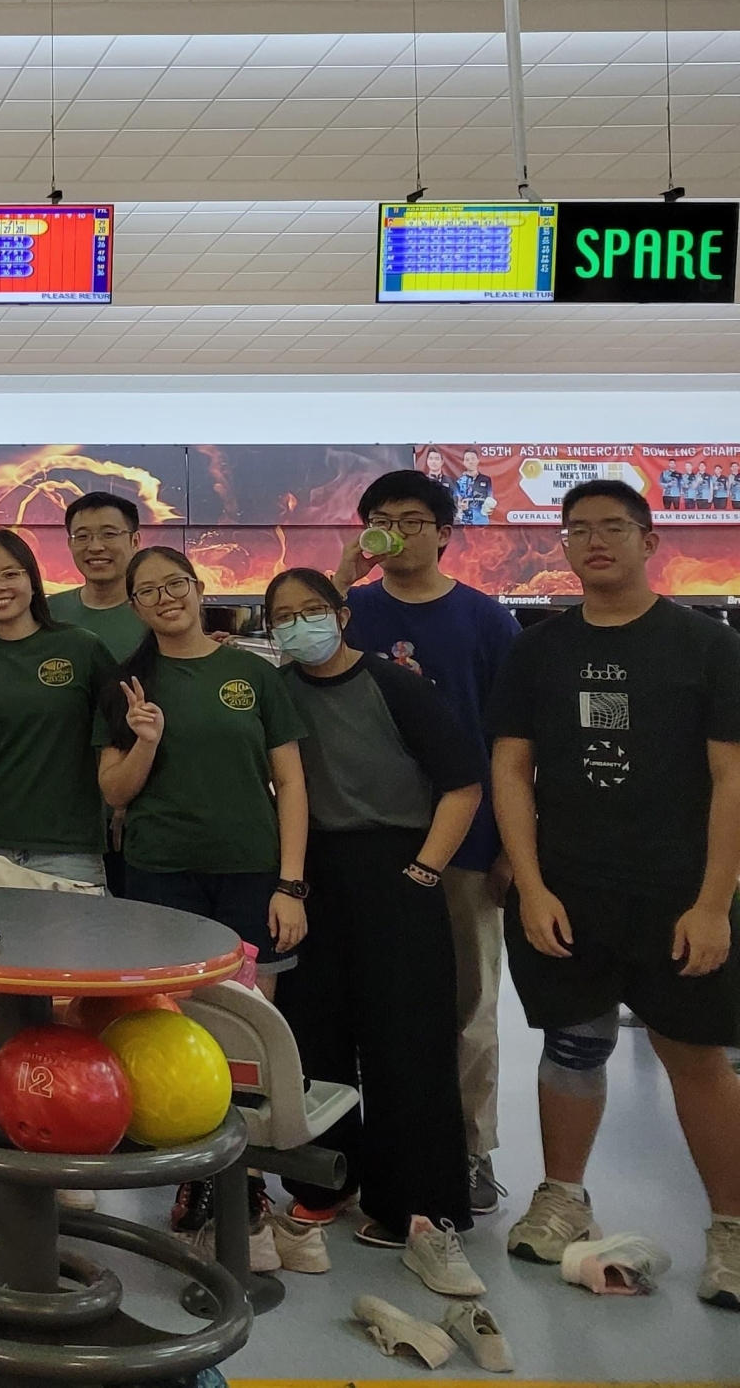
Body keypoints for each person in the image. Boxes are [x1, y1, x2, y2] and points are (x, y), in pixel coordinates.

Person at [488, 480, 740, 1307]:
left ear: (648, 540)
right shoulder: (538, 650)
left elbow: (732, 777)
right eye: (577, 530)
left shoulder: (707, 645)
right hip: (568, 889)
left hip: (676, 894)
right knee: (573, 1043)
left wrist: (713, 902)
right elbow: (511, 769)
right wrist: (530, 886)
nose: (593, 541)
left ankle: (732, 1229)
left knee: (694, 1056)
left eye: (612, 527)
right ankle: (563, 1198)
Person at [261, 568, 481, 1277]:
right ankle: (325, 1181)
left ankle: (418, 1203)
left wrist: (424, 870)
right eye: (284, 616)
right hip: (309, 872)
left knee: (406, 1038)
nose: (299, 625)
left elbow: (462, 783)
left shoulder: (395, 685)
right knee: (313, 1031)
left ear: (343, 614)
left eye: (312, 610)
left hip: (395, 865)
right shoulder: (278, 691)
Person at [331, 467, 521, 1212]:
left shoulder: (487, 620)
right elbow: (297, 679)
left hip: (467, 844)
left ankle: (471, 1150)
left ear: (444, 534)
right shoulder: (350, 610)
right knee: (369, 1005)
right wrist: (340, 580)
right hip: (369, 843)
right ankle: (374, 1146)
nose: (397, 533)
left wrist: (512, 845)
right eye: (382, 520)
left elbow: (514, 745)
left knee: (468, 1005)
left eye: (412, 521)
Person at [98, 545, 309, 973]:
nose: (165, 598)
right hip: (159, 873)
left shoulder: (254, 673)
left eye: (175, 584)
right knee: (167, 1004)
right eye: (149, 591)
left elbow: (290, 783)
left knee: (249, 1004)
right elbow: (114, 792)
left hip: (251, 869)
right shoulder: (126, 684)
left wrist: (290, 886)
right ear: (135, 607)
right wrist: (146, 742)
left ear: (198, 589)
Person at [0, 530, 116, 885]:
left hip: (68, 848)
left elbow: (120, 732)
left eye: (10, 574)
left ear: (32, 580)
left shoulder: (81, 648)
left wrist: (122, 806)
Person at [49, 492, 150, 661]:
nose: (95, 547)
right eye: (82, 536)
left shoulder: (156, 609)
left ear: (134, 541)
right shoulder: (48, 612)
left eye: (109, 534)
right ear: (70, 544)